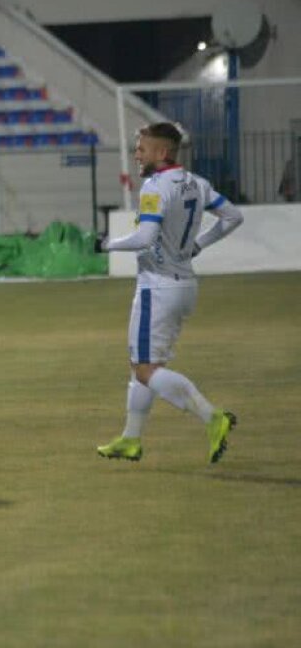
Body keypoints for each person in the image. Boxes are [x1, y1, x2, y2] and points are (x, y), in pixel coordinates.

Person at [95, 122, 243, 464]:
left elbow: (145, 238)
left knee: (145, 368)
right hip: (183, 284)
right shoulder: (196, 183)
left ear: (162, 153)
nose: (137, 154)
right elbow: (232, 216)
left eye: (142, 149)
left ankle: (212, 417)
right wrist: (198, 245)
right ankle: (131, 439)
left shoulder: (155, 186)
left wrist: (106, 244)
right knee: (145, 366)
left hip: (157, 287)